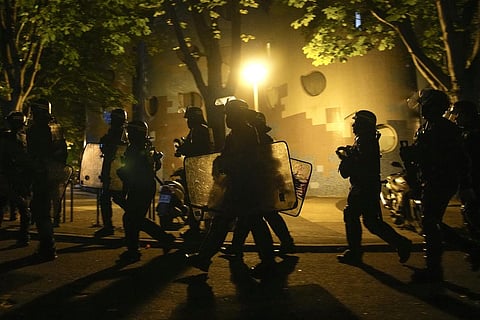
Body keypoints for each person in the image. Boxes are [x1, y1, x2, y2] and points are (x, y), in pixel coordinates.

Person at [186, 99, 276, 279]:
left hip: (246, 186)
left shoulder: (247, 133)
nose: (227, 118)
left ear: (238, 115)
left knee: (252, 222)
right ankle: (205, 257)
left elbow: (247, 159)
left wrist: (227, 164)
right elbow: (227, 155)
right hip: (237, 185)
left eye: (229, 114)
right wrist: (220, 162)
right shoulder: (234, 134)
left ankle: (268, 262)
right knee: (225, 222)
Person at [401, 89, 480, 283]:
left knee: (430, 222)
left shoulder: (446, 129)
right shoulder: (427, 127)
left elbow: (461, 159)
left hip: (443, 180)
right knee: (430, 222)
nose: (423, 109)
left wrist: (466, 185)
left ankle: (435, 269)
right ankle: (465, 252)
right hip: (431, 179)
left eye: (426, 105)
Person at [336, 110, 412, 265]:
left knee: (352, 215)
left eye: (356, 122)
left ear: (363, 124)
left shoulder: (366, 140)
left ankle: (355, 253)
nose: (353, 125)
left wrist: (347, 157)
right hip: (366, 185)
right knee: (371, 222)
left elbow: (362, 163)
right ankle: (401, 244)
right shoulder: (365, 139)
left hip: (363, 186)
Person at [221, 110, 296, 257]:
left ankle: (275, 251)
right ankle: (238, 247)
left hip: (262, 183)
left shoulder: (260, 140)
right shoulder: (261, 138)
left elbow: (267, 162)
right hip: (262, 183)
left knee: (261, 215)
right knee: (252, 216)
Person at [116, 120, 175, 263]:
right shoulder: (146, 146)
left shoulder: (134, 149)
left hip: (139, 187)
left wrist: (120, 173)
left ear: (136, 133)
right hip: (146, 186)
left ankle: (135, 250)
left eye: (130, 132)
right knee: (134, 218)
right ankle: (160, 240)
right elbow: (155, 165)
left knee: (132, 218)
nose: (128, 135)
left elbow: (132, 170)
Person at [26, 99, 67, 261]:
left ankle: (48, 247)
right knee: (44, 209)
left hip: (41, 173)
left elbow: (34, 154)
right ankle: (46, 245)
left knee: (40, 211)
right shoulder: (56, 128)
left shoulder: (38, 130)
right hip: (53, 173)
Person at [173, 106, 214, 238]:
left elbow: (196, 149)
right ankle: (202, 228)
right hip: (201, 169)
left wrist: (183, 149)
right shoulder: (203, 129)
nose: (187, 122)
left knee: (193, 200)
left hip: (197, 171)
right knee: (197, 200)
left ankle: (196, 229)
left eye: (189, 119)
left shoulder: (198, 130)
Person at [94, 108, 129, 238]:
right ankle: (108, 226)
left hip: (116, 171)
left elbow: (114, 150)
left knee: (117, 198)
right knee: (107, 198)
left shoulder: (122, 134)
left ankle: (133, 220)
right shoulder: (115, 133)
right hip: (110, 169)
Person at [0, 111, 33, 245]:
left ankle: (24, 236)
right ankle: (24, 236)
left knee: (2, 204)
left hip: (7, 175)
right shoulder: (27, 138)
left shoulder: (4, 137)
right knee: (23, 207)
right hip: (20, 176)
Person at [449, 100, 480, 238]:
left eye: (457, 114)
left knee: (473, 214)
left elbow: (468, 163)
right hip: (471, 183)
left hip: (474, 184)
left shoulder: (471, 135)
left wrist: (467, 185)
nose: (455, 118)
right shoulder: (467, 133)